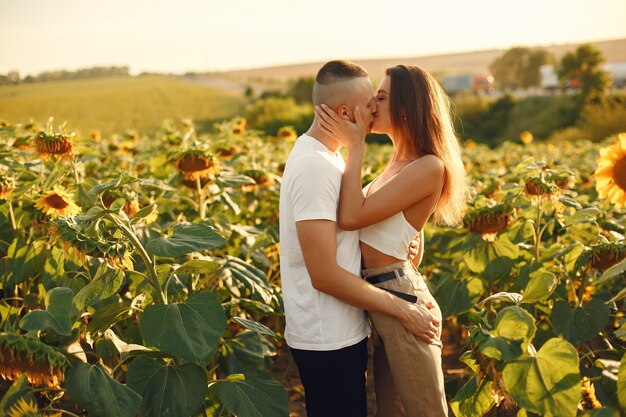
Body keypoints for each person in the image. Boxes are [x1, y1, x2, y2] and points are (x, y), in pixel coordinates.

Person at [279, 61, 441, 417]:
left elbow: (385, 217)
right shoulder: (316, 166)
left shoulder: (330, 160)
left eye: (379, 100)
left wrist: (411, 237)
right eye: (371, 102)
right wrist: (402, 308)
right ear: (343, 112)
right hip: (329, 332)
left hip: (353, 320)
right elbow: (324, 272)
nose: (373, 110)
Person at [314, 64, 467, 417]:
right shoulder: (397, 163)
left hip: (401, 297)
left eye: (380, 98)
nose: (371, 105)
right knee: (391, 411)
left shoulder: (429, 165)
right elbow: (403, 224)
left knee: (425, 411)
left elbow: (351, 217)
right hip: (385, 297)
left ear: (406, 108)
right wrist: (416, 237)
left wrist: (355, 147)